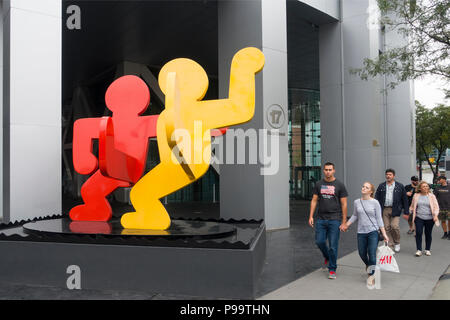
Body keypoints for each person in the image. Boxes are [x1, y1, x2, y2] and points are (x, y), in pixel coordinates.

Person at [341, 182, 389, 288]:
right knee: (362, 253)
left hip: (373, 231)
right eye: (363, 186)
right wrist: (346, 224)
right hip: (361, 232)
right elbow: (354, 215)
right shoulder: (357, 202)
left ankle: (372, 276)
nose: (363, 188)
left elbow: (379, 218)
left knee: (371, 253)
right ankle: (369, 265)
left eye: (366, 187)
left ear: (371, 191)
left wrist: (384, 234)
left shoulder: (375, 202)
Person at [309, 162, 348, 280]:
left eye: (330, 170)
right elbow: (314, 200)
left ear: (334, 170)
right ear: (323, 171)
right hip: (321, 219)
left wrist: (344, 221)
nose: (328, 172)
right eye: (326, 170)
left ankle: (332, 269)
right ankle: (327, 257)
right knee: (319, 242)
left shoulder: (340, 185)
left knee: (333, 246)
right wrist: (311, 216)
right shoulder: (319, 184)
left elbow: (344, 204)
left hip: (335, 219)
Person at [374, 169, 409, 252]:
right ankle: (390, 244)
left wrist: (406, 212)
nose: (388, 176)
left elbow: (405, 199)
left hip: (396, 209)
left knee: (394, 226)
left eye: (390, 174)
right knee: (386, 227)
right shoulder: (381, 185)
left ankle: (397, 242)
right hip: (385, 209)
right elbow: (376, 197)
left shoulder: (399, 186)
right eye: (387, 174)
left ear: (394, 176)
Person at [410, 181, 440, 256]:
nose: (426, 187)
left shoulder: (432, 196)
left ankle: (427, 249)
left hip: (430, 218)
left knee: (428, 233)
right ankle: (419, 250)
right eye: (424, 186)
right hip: (419, 217)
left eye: (427, 186)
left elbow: (436, 207)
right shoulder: (416, 195)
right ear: (420, 188)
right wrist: (410, 211)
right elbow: (412, 206)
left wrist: (435, 215)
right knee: (418, 233)